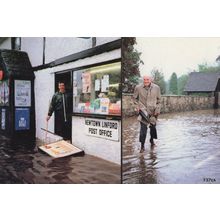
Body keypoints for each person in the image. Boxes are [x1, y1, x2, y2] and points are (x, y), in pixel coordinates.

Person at [133, 75, 161, 153]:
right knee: (143, 129)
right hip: (143, 111)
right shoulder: (138, 87)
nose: (146, 81)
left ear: (150, 80)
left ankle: (151, 141)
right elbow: (134, 99)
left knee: (153, 127)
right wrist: (137, 106)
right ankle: (142, 146)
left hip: (153, 111)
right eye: (144, 79)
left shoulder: (157, 88)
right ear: (143, 80)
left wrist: (157, 110)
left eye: (147, 79)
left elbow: (159, 100)